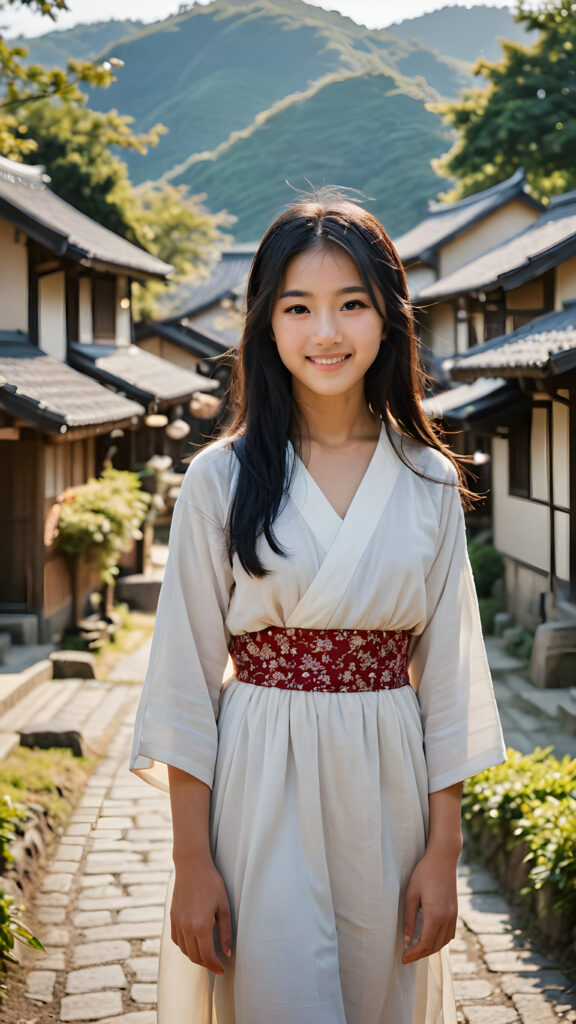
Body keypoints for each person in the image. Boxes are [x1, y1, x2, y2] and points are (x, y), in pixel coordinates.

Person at [130, 190, 507, 1024]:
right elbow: (184, 686)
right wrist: (192, 864)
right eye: (298, 307)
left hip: (389, 781)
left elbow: (447, 679)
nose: (326, 333)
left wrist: (442, 856)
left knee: (382, 996)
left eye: (352, 305)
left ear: (389, 319)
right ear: (267, 322)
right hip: (259, 771)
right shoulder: (219, 481)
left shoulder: (428, 481)